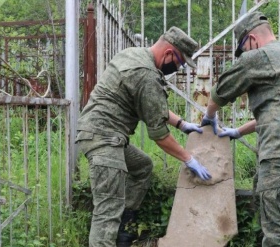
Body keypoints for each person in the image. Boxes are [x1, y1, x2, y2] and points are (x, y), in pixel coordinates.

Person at [76, 26, 211, 247]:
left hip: (99, 133)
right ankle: (112, 228)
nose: (177, 68)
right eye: (179, 64)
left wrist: (182, 124)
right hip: (104, 138)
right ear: (169, 54)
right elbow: (159, 135)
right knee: (107, 210)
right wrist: (189, 158)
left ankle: (124, 227)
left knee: (142, 167)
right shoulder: (146, 74)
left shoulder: (133, 54)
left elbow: (150, 105)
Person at [201, 11, 280, 247]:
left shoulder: (260, 57)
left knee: (279, 238)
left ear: (251, 40)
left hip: (279, 153)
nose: (244, 54)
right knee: (278, 219)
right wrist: (237, 131)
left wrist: (210, 116)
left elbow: (221, 90)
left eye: (243, 49)